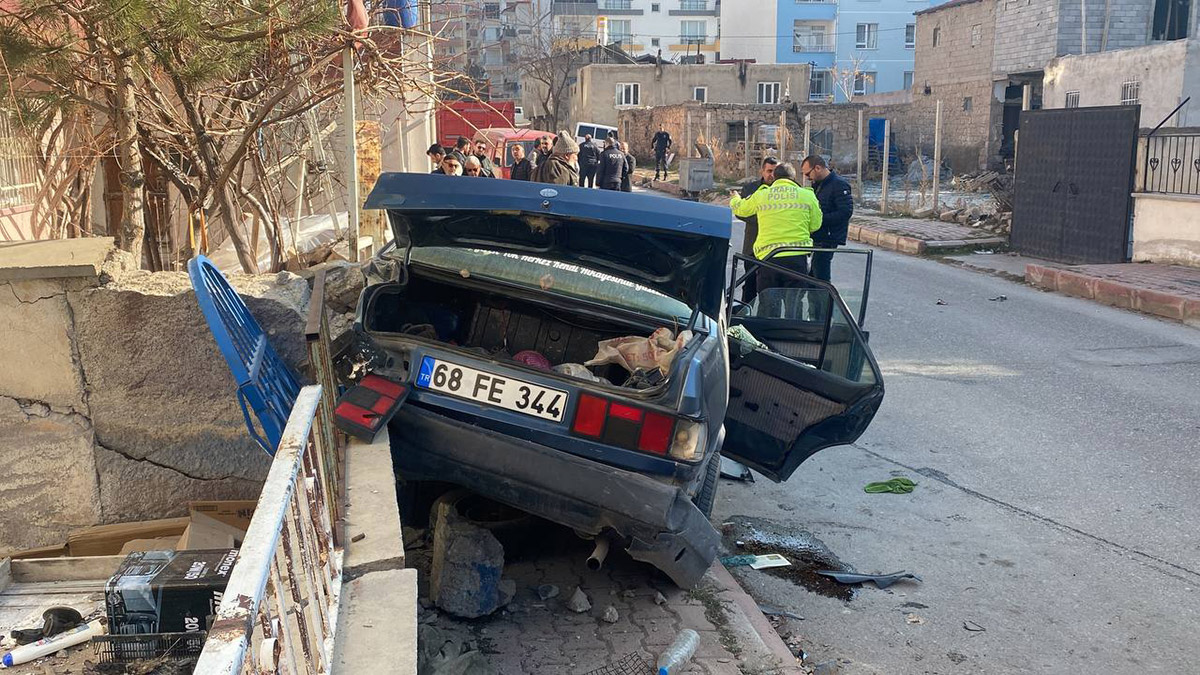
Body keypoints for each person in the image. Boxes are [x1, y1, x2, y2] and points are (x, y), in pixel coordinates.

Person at [729, 162, 822, 294]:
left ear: (775, 177)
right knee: (794, 304)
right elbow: (815, 225)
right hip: (797, 258)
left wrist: (735, 198)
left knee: (768, 303)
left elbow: (741, 209)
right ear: (794, 178)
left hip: (769, 258)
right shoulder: (807, 195)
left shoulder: (762, 195)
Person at [801, 155, 854, 283]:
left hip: (828, 237)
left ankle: (824, 302)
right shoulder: (818, 185)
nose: (807, 178)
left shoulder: (839, 185)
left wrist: (819, 220)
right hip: (818, 236)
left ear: (818, 168)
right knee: (812, 278)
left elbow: (845, 212)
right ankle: (818, 301)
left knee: (821, 279)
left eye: (808, 174)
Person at [734, 157, 779, 301]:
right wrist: (767, 219)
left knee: (771, 289)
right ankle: (745, 317)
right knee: (750, 285)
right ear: (762, 171)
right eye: (769, 171)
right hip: (753, 246)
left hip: (775, 248)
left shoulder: (783, 191)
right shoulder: (750, 188)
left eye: (775, 171)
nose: (772, 175)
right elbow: (741, 212)